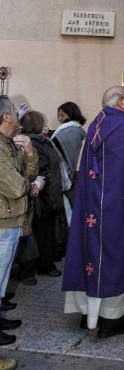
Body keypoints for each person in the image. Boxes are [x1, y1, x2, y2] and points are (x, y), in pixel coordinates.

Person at [62, 86, 124, 337]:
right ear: (120, 103)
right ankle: (110, 319)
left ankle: (88, 315)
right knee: (116, 255)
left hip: (91, 205)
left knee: (90, 255)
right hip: (114, 207)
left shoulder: (97, 123)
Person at [0, 95, 38, 370]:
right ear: (5, 117)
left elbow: (30, 169)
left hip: (11, 221)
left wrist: (29, 154)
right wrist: (33, 185)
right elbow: (16, 187)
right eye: (14, 111)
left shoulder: (9, 144)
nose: (18, 115)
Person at [20, 111, 64, 278]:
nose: (46, 127)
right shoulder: (33, 143)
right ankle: (40, 267)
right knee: (40, 234)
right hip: (42, 195)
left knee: (44, 233)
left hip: (48, 193)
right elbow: (40, 169)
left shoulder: (42, 141)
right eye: (43, 124)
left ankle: (42, 264)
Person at [52, 101, 87, 183]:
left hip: (67, 171)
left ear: (71, 115)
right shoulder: (71, 129)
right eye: (59, 116)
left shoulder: (73, 131)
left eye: (62, 115)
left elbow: (55, 144)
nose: (60, 119)